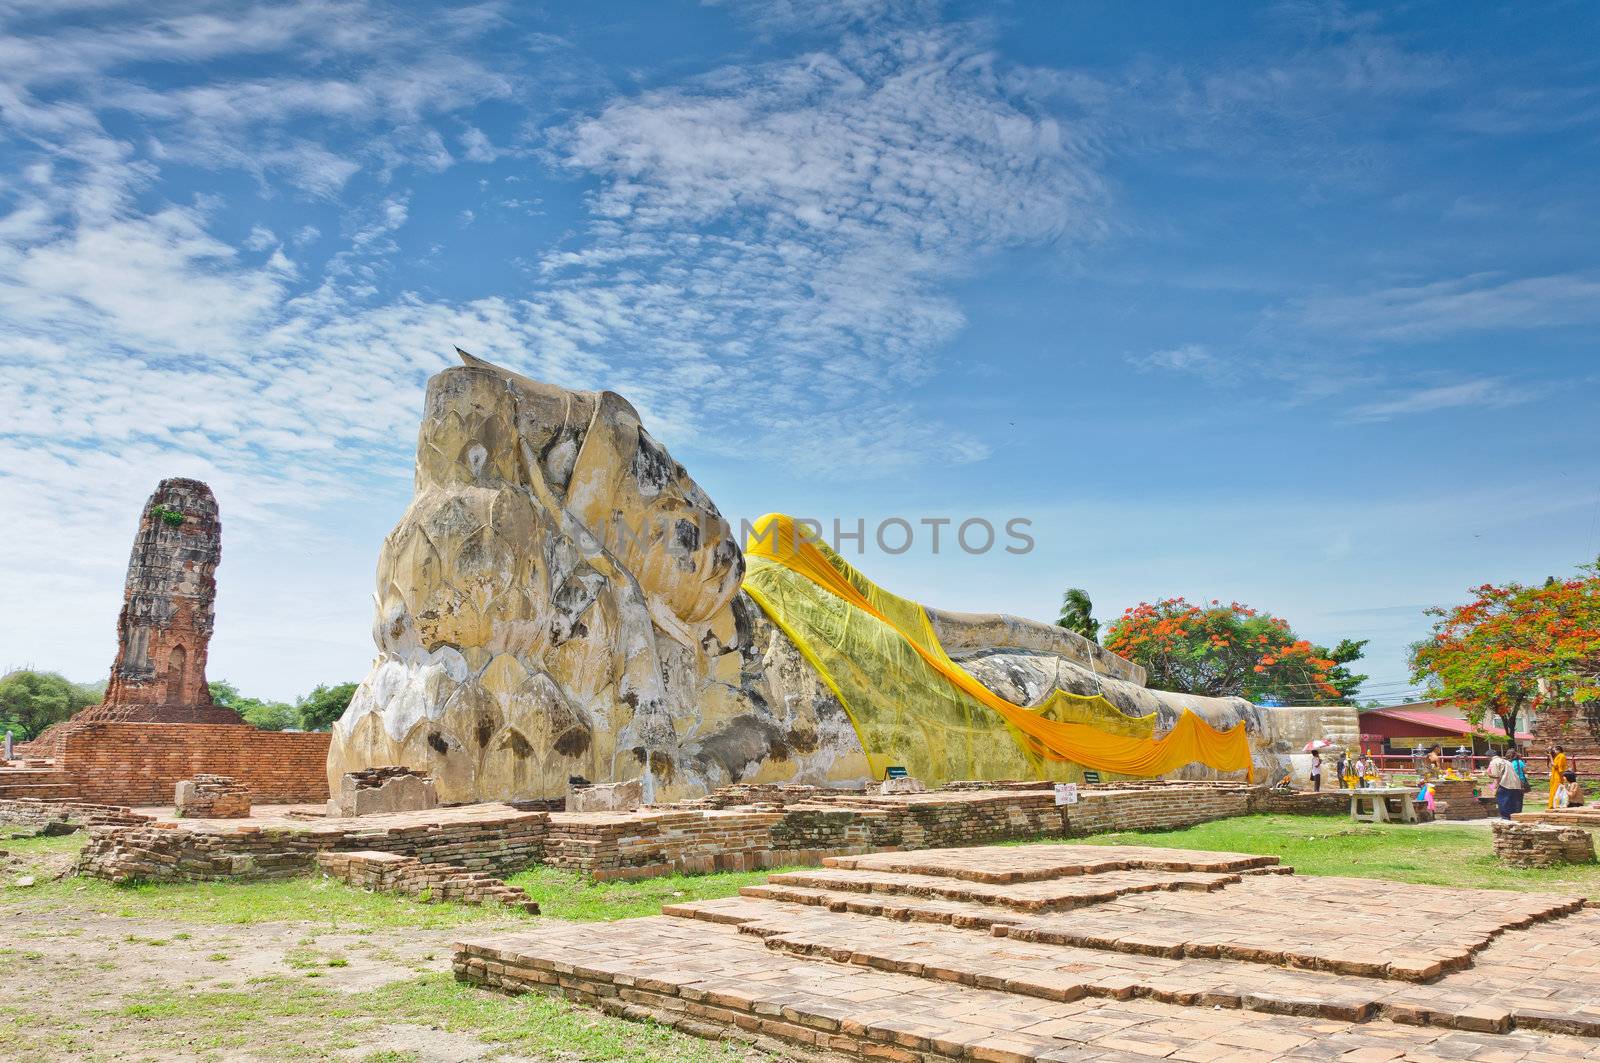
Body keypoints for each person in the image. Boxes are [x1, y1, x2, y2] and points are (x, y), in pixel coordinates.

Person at [1487, 747, 1527, 819]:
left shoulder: (1494, 762)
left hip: (1505, 785)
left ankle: (1506, 820)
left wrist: (1488, 774)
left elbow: (1496, 776)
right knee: (1513, 806)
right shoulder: (1507, 762)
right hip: (1516, 785)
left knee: (1504, 805)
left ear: (1489, 756)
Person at [1549, 745, 1570, 810]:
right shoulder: (1558, 756)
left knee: (1556, 791)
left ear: (1558, 750)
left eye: (1555, 750)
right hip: (1555, 776)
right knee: (1553, 790)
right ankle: (1552, 804)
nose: (1554, 751)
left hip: (1558, 776)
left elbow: (1557, 766)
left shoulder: (1561, 756)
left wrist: (1550, 757)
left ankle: (1555, 804)